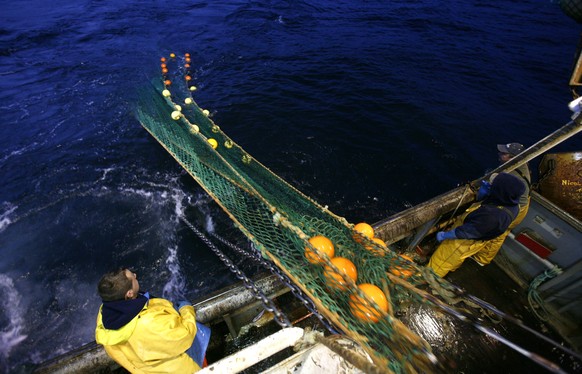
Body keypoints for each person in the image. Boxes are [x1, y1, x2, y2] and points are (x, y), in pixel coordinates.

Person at [95, 268, 203, 373]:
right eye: (133, 278)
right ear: (129, 293)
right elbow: (184, 336)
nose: (135, 275)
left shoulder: (104, 315)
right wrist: (186, 309)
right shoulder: (148, 323)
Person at [428, 172, 526, 277]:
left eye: (494, 185)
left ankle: (425, 281)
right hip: (479, 235)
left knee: (441, 262)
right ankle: (450, 269)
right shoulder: (513, 206)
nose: (490, 185)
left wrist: (445, 235)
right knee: (455, 259)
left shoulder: (493, 217)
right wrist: (484, 194)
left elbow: (466, 232)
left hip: (464, 240)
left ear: (500, 192)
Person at [469, 143, 531, 265]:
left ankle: (474, 255)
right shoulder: (523, 166)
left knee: (488, 231)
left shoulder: (510, 173)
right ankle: (482, 259)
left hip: (514, 209)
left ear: (512, 158)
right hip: (523, 206)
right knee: (500, 234)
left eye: (503, 153)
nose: (499, 154)